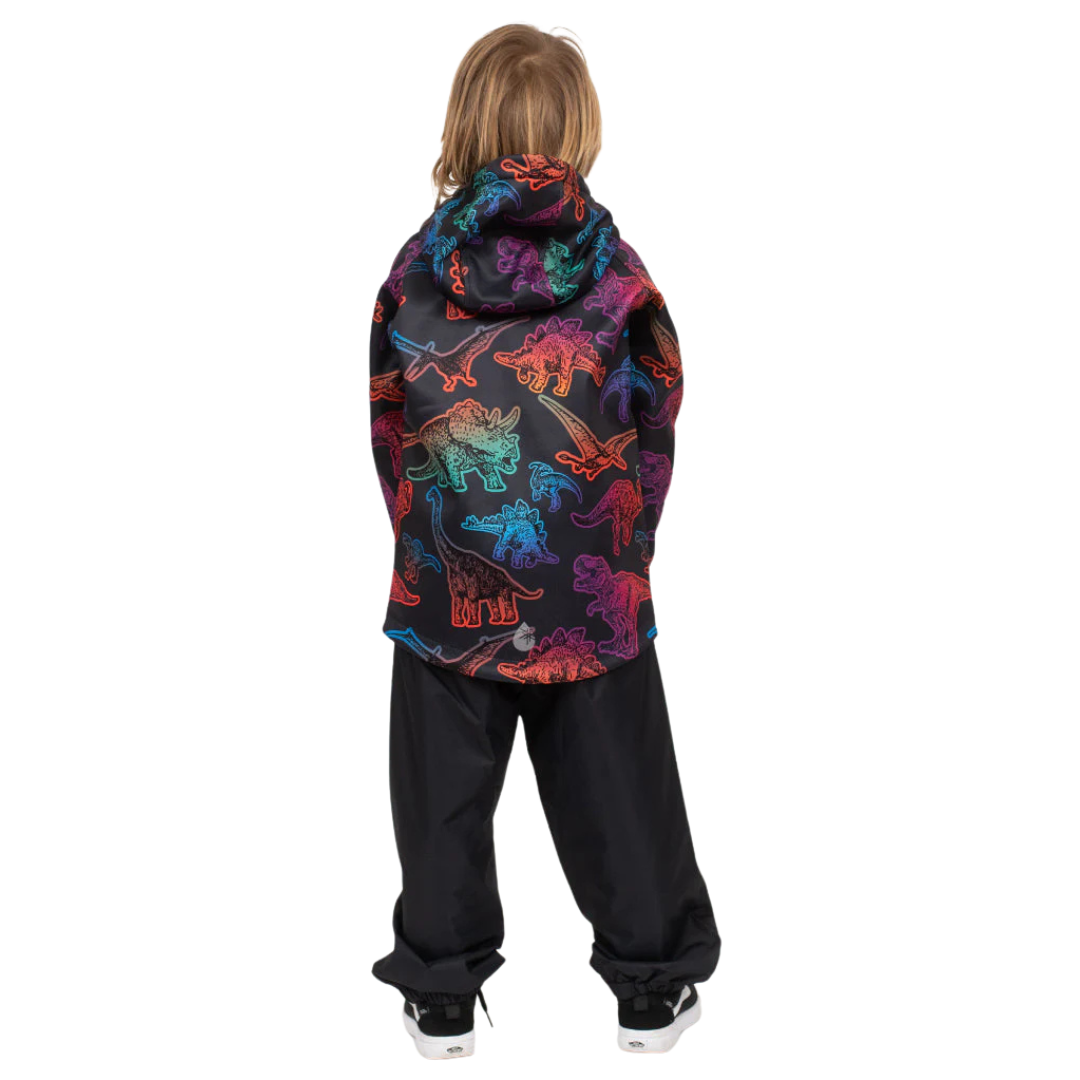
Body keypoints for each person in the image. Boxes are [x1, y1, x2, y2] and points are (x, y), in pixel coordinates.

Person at [368, 23, 720, 1058]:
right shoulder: (617, 271)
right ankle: (650, 990)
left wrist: (422, 535)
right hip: (588, 587)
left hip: (447, 586)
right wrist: (628, 547)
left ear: (464, 128)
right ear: (579, 133)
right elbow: (658, 408)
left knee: (440, 799)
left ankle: (440, 996)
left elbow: (387, 420)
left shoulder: (416, 270)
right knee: (620, 790)